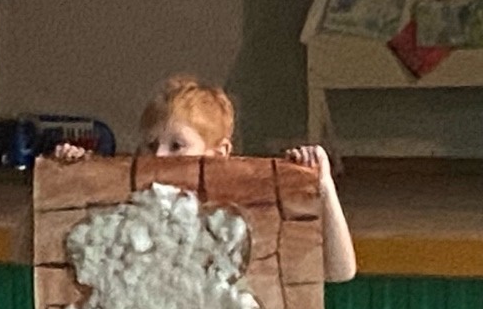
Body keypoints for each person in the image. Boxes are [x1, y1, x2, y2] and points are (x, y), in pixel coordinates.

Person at [50, 75, 360, 283]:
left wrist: (324, 188)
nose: (159, 157)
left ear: (219, 153)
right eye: (151, 145)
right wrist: (64, 182)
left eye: (177, 146)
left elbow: (339, 271)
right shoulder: (125, 214)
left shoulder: (243, 219)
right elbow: (42, 256)